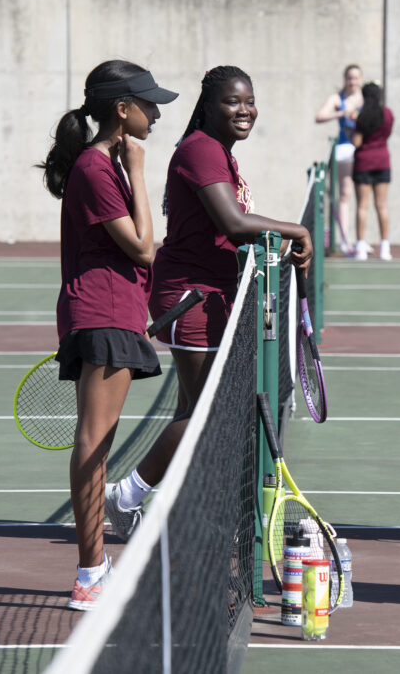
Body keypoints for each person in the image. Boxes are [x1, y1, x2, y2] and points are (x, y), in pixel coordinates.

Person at [104, 66, 313, 552]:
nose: (245, 110)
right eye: (232, 102)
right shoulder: (200, 149)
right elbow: (233, 221)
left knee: (198, 410)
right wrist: (296, 232)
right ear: (209, 106)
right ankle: (130, 496)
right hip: (190, 298)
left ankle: (164, 500)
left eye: (250, 101)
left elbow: (229, 228)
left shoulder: (219, 153)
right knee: (205, 414)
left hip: (214, 292)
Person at [37, 60, 178, 610]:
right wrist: (141, 172)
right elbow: (142, 246)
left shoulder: (104, 167)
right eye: (149, 103)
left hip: (112, 311)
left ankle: (95, 568)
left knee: (99, 442)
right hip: (101, 314)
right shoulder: (101, 169)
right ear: (122, 110)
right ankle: (90, 573)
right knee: (94, 443)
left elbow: (143, 250)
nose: (158, 112)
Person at [315, 64, 364, 255]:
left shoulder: (365, 98)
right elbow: (319, 116)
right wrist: (341, 112)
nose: (352, 81)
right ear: (345, 79)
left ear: (360, 79)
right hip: (345, 150)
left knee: (364, 196)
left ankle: (360, 241)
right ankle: (345, 240)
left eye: (355, 78)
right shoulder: (338, 98)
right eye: (349, 78)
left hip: (364, 151)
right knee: (345, 195)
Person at [350, 82, 394, 261]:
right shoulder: (388, 114)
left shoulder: (361, 115)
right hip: (382, 161)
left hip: (363, 163)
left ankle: (360, 247)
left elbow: (357, 142)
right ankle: (385, 247)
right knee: (382, 206)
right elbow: (387, 133)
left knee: (362, 206)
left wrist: (351, 126)